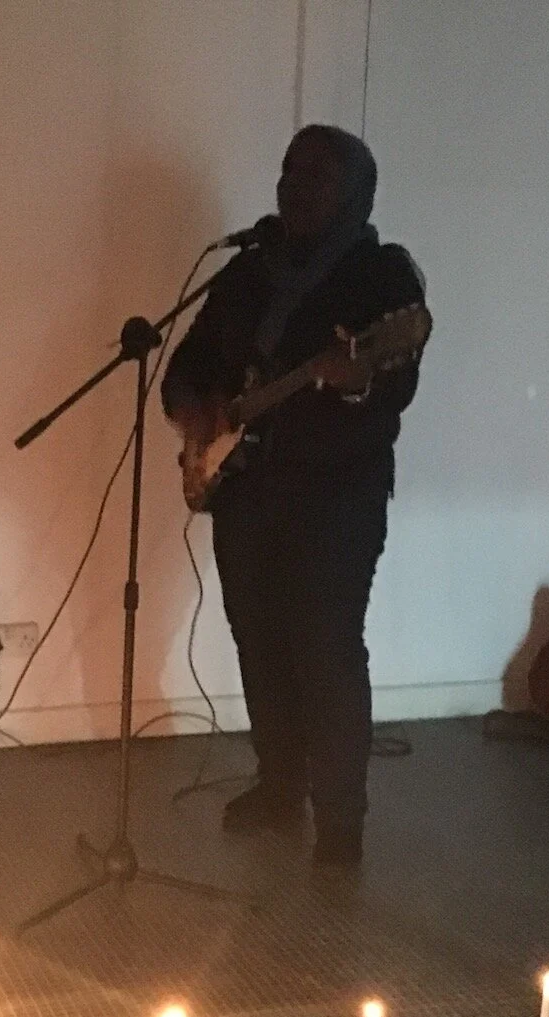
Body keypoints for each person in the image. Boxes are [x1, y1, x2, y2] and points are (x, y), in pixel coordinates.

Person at [161, 124, 427, 866]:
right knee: (259, 642)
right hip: (245, 493)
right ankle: (278, 786)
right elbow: (185, 367)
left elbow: (394, 384)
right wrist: (200, 414)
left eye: (315, 176)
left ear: (355, 193)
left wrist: (356, 377)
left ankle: (341, 822)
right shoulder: (247, 271)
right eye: (286, 170)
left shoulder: (383, 278)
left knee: (327, 649)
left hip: (335, 499)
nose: (293, 186)